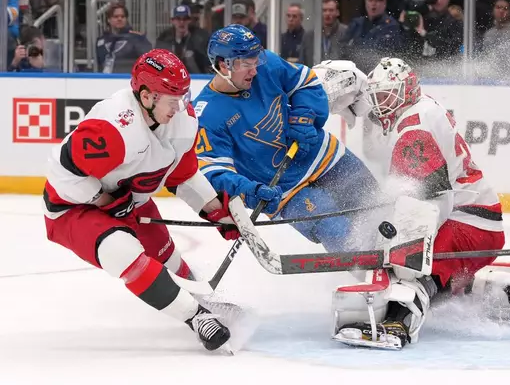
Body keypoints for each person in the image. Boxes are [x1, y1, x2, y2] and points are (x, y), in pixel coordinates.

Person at [313, 58, 510, 350]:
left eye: (386, 96)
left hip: (467, 224)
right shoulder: (422, 105)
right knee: (443, 279)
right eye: (378, 96)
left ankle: (397, 324)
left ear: (405, 90)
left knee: (410, 270)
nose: (381, 104)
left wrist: (398, 243)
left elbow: (433, 203)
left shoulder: (414, 132)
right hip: (480, 219)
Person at [42, 49, 238, 352]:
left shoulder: (181, 120)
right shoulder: (113, 129)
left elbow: (183, 176)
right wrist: (103, 198)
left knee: (168, 258)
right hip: (74, 208)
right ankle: (197, 318)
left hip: (129, 199)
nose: (180, 108)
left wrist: (216, 212)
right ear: (146, 97)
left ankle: (203, 301)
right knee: (122, 252)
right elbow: (62, 174)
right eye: (172, 100)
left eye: (182, 98)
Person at [193, 24, 380, 253]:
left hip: (324, 157)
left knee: (377, 207)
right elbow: (215, 172)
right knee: (337, 231)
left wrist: (304, 115)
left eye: (256, 60)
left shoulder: (266, 65)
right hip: (285, 191)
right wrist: (249, 190)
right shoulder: (207, 115)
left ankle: (412, 265)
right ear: (224, 64)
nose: (254, 70)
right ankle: (369, 276)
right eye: (246, 64)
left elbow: (307, 83)